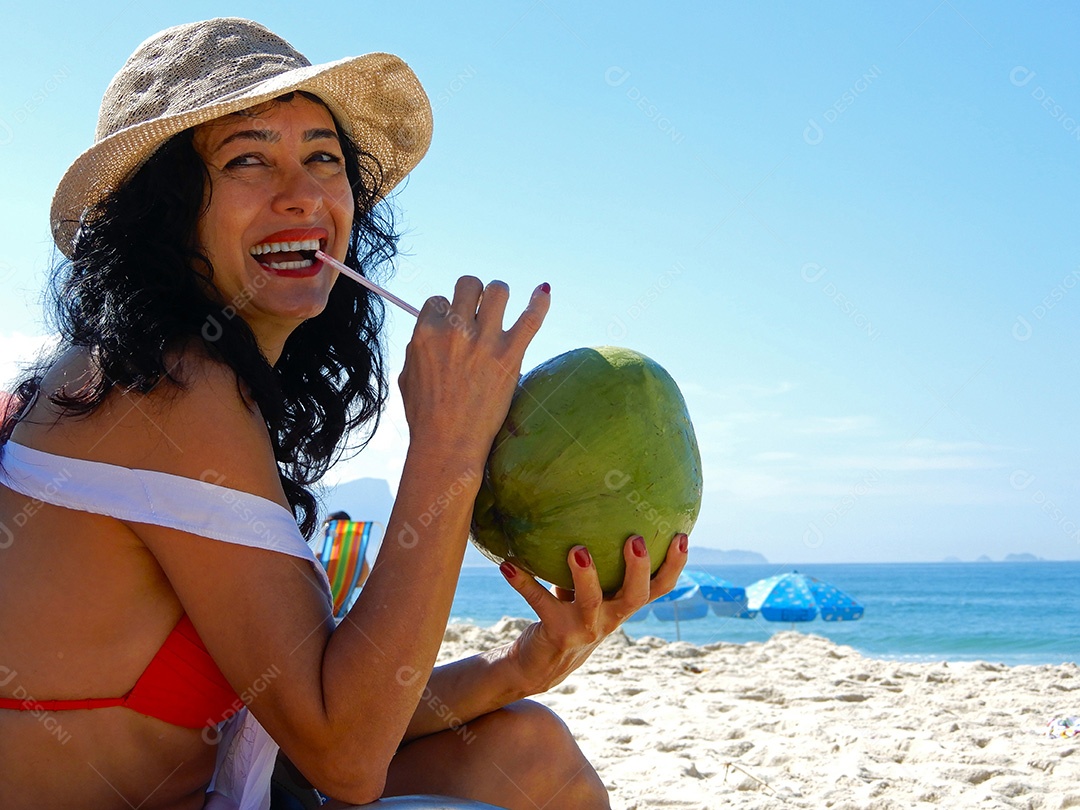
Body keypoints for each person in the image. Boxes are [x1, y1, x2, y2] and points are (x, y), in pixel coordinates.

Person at [0, 17, 689, 810]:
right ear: (164, 210)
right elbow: (345, 754)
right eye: (248, 159)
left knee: (525, 746)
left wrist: (524, 665)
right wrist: (449, 442)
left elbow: (318, 706)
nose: (302, 196)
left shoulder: (181, 375)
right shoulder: (166, 388)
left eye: (323, 158)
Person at [321, 510, 372, 591]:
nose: (324, 530)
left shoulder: (323, 558)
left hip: (324, 593)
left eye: (326, 525)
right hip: (346, 595)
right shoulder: (357, 555)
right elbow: (361, 580)